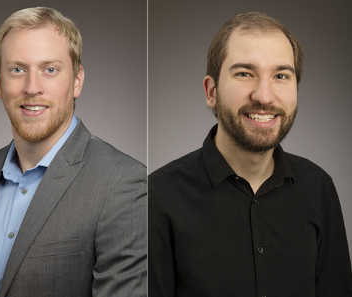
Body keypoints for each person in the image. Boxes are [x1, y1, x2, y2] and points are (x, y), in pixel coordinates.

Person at [0, 7, 147, 297]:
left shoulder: (123, 184)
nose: (32, 87)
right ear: (0, 83)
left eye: (49, 70)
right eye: (17, 70)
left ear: (76, 81)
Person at [148, 11, 352, 296]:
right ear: (212, 92)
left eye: (281, 75)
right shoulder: (158, 198)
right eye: (245, 73)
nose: (264, 96)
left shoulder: (319, 188)